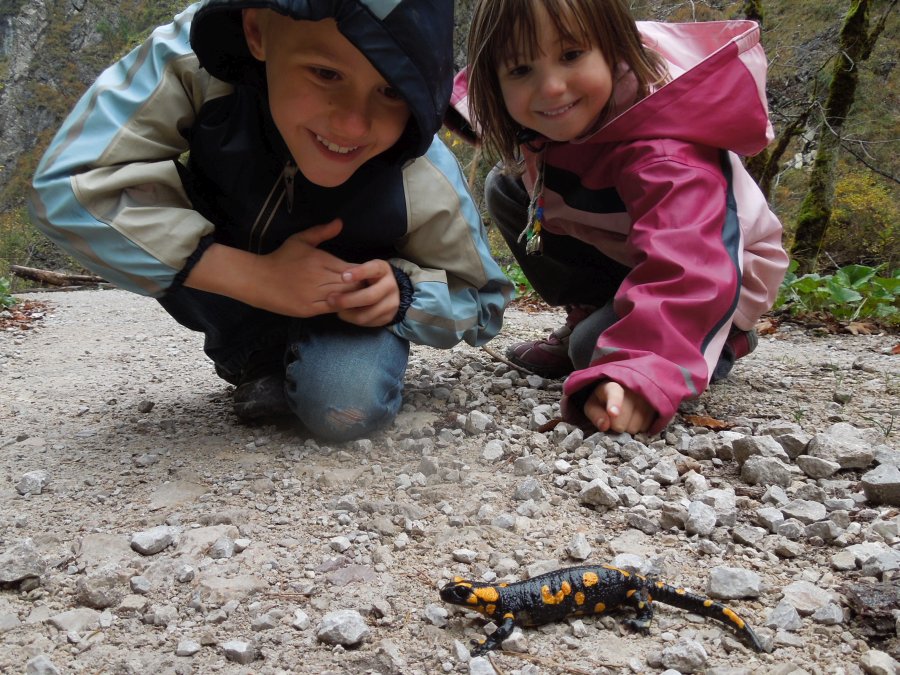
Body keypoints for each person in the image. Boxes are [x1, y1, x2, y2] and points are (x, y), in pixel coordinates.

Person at [29, 0, 513, 442]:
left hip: (340, 308)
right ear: (256, 30)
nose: (351, 124)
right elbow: (67, 188)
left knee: (345, 406)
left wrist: (403, 294)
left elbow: (483, 300)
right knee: (129, 194)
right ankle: (252, 354)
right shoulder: (196, 57)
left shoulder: (421, 168)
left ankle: (290, 362)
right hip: (228, 275)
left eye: (391, 89)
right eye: (325, 73)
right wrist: (257, 278)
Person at [453, 0, 788, 436]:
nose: (551, 87)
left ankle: (725, 337)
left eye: (571, 56)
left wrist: (637, 375)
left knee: (593, 349)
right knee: (507, 185)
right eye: (520, 70)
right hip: (630, 245)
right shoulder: (559, 123)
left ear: (613, 49)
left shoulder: (666, 154)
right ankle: (592, 307)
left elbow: (690, 270)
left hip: (722, 271)